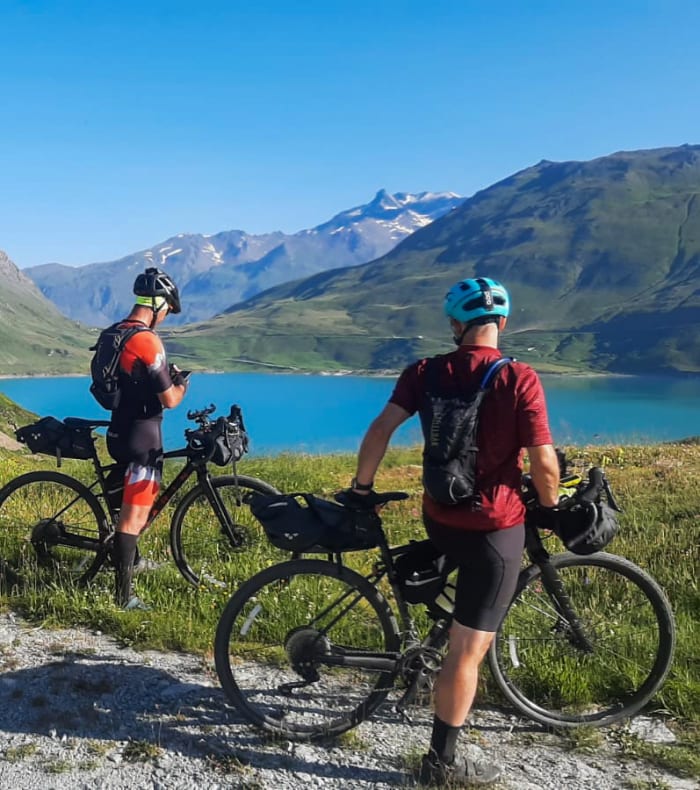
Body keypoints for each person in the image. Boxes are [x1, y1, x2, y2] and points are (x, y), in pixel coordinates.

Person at [348, 277, 560, 786]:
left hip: (439, 515)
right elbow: (543, 461)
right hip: (494, 527)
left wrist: (361, 488)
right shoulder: (519, 377)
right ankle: (440, 764)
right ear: (501, 323)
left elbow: (380, 428)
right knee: (468, 650)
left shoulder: (424, 372)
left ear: (455, 325)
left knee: (458, 592)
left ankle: (425, 663)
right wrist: (551, 507)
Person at [105, 267, 189, 610]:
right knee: (133, 519)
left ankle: (133, 560)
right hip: (143, 437)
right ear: (158, 305)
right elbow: (169, 399)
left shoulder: (116, 333)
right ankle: (123, 599)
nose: (166, 316)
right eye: (167, 310)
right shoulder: (147, 340)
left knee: (123, 507)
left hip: (118, 431)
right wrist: (181, 384)